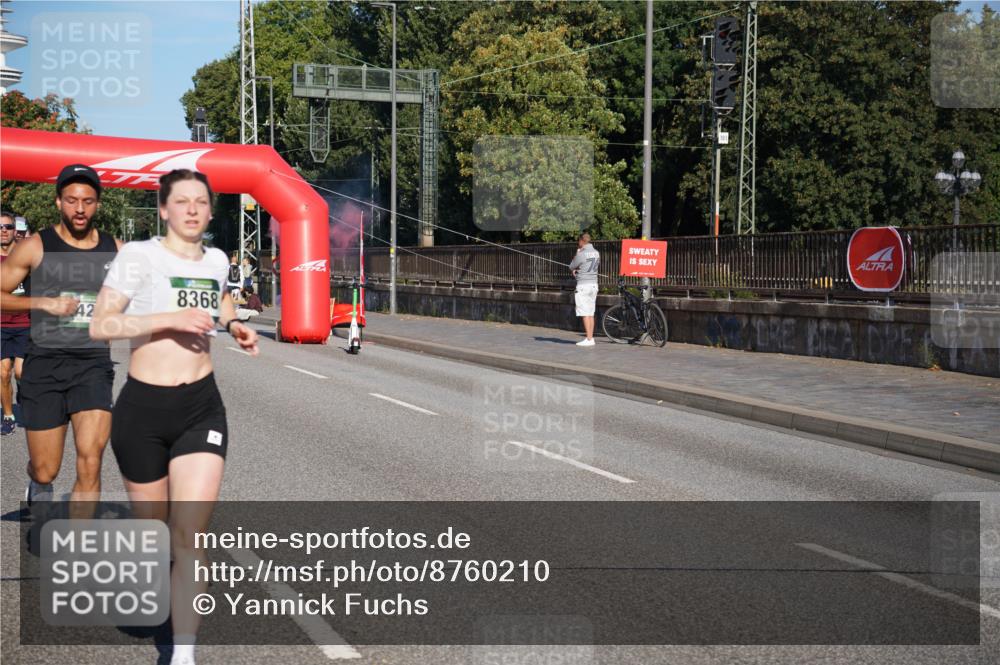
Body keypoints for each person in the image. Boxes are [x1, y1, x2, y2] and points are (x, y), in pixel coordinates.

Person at [90, 168, 258, 665]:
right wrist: (167, 318)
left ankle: (182, 653)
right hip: (141, 409)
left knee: (189, 536)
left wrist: (232, 323)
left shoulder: (218, 258)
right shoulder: (138, 256)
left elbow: (219, 294)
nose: (191, 210)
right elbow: (100, 324)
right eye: (180, 201)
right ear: (163, 209)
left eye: (200, 202)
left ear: (210, 210)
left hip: (200, 406)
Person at [0, 165, 121, 506]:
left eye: (87, 200)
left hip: (93, 365)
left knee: (91, 460)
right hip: (44, 365)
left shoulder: (117, 250)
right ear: (58, 202)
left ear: (97, 203)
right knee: (45, 468)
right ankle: (38, 486)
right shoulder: (36, 246)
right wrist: (42, 303)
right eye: (71, 200)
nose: (79, 208)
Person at [1, 211, 30, 436]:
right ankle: (9, 415)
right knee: (3, 373)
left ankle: (23, 394)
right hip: (1, 325)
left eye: (8, 227)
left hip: (24, 323)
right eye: (0, 227)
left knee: (20, 373)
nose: (3, 231)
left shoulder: (24, 257)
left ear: (14, 231)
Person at [569, 232, 600, 346]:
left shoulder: (582, 253)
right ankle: (591, 337)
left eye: (579, 241)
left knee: (584, 312)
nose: (578, 243)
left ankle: (589, 338)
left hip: (583, 285)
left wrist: (577, 254)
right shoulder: (596, 253)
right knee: (591, 313)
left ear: (582, 241)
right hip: (594, 285)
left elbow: (572, 266)